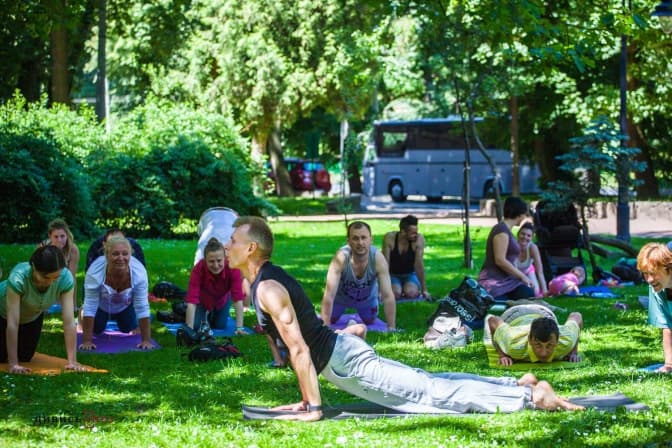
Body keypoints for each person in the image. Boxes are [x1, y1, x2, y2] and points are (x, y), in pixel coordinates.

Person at [224, 216, 581, 421]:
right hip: (342, 354)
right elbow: (299, 345)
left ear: (251, 248)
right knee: (429, 382)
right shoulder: (262, 282)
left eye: (232, 241)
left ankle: (531, 398)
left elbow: (300, 350)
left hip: (346, 363)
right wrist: (306, 399)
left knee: (430, 393)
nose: (227, 247)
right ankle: (516, 385)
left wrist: (314, 407)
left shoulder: (268, 287)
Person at [0, 246, 85, 373]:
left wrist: (72, 362)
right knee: (2, 357)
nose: (50, 282)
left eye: (55, 278)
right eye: (46, 278)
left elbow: (69, 322)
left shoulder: (65, 277)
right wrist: (13, 364)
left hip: (32, 316)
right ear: (34, 268)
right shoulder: (19, 276)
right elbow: (12, 323)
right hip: (3, 314)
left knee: (25, 357)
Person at [79, 235, 154, 350]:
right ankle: (81, 313)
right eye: (115, 254)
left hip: (125, 304)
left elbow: (142, 306)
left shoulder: (139, 273)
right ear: (106, 255)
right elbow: (90, 305)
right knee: (96, 329)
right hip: (101, 305)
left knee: (127, 328)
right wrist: (87, 341)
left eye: (125, 254)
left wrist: (146, 341)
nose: (121, 258)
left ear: (130, 255)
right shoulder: (94, 271)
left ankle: (147, 318)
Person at [321, 221, 396, 331]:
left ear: (371, 240)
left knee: (370, 320)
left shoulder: (378, 259)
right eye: (355, 238)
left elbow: (387, 295)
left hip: (367, 300)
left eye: (363, 238)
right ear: (348, 242)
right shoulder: (340, 258)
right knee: (329, 319)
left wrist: (391, 327)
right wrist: (325, 327)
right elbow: (329, 295)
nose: (360, 243)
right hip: (340, 299)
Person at [485, 304, 583, 366]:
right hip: (516, 315)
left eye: (549, 345)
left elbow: (576, 315)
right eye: (538, 345)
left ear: (557, 340)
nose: (543, 353)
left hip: (544, 313)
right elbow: (492, 320)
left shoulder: (567, 340)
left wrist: (573, 352)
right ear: (530, 340)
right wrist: (502, 355)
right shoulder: (513, 343)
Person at [478, 197, 536, 301]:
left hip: (508, 281)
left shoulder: (507, 231)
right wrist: (522, 276)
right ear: (520, 214)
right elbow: (500, 260)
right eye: (524, 214)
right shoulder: (501, 231)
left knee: (528, 293)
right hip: (495, 281)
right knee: (502, 304)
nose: (524, 217)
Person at [185, 237, 247, 334]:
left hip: (222, 299)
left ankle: (211, 315)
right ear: (205, 260)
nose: (216, 265)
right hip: (203, 300)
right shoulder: (198, 269)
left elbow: (237, 299)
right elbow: (192, 301)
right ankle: (188, 311)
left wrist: (239, 328)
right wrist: (189, 329)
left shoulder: (233, 268)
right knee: (196, 326)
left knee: (219, 326)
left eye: (219, 261)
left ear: (224, 258)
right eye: (211, 261)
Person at [636, 243, 672, 373]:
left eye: (653, 273)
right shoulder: (656, 288)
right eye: (645, 274)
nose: (649, 279)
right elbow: (667, 326)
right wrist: (669, 364)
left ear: (669, 269)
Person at [382, 215, 430, 300]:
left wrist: (424, 290)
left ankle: (411, 288)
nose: (416, 235)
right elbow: (385, 264)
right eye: (413, 233)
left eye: (416, 232)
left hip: (410, 274)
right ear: (403, 232)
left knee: (411, 293)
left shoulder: (418, 239)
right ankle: (398, 289)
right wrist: (381, 288)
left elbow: (419, 265)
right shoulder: (390, 238)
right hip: (393, 274)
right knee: (395, 294)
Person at [40, 218, 80, 310]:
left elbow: (72, 277)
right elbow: (40, 275)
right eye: (56, 237)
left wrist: (73, 305)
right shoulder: (43, 248)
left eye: (62, 236)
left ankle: (68, 304)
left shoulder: (73, 250)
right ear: (50, 236)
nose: (59, 240)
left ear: (67, 235)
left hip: (64, 280)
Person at [516, 222, 548, 297]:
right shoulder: (512, 245)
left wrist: (545, 291)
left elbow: (540, 272)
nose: (525, 237)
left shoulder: (532, 248)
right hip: (514, 273)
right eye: (523, 234)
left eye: (528, 235)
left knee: (535, 293)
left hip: (528, 272)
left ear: (532, 238)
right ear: (518, 234)